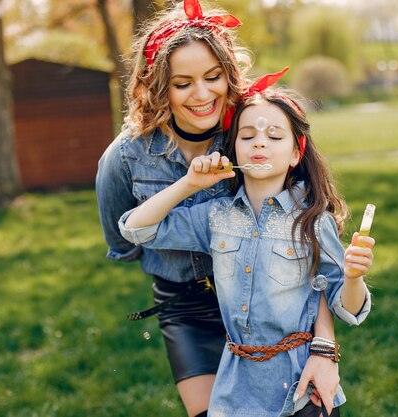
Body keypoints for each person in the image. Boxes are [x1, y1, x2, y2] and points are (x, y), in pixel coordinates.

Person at [96, 1, 341, 416]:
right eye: (182, 83)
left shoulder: (252, 134)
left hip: (272, 302)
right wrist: (185, 188)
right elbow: (127, 238)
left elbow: (305, 250)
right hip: (186, 308)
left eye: (213, 77)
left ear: (229, 76)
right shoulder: (124, 159)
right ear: (158, 86)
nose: (203, 94)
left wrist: (325, 347)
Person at [118, 86, 375, 417]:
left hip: (303, 393)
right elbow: (137, 229)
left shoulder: (312, 222)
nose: (260, 142)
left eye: (274, 136)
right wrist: (189, 185)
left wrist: (354, 277)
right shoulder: (215, 217)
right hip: (236, 392)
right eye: (247, 135)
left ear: (297, 153)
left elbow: (347, 309)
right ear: (234, 148)